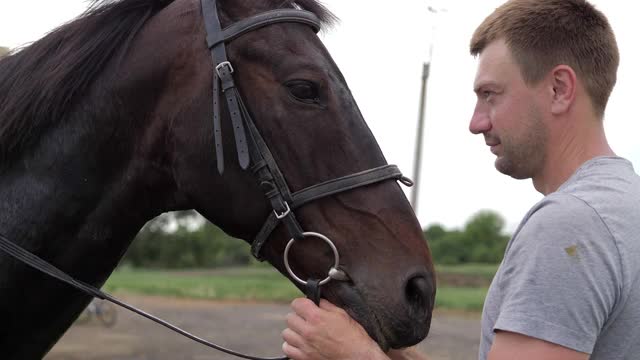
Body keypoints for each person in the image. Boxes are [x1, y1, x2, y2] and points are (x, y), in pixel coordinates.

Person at [281, 0, 640, 359]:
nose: (476, 122)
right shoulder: (624, 208)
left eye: (490, 95)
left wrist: (356, 356)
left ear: (559, 89)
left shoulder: (569, 225)